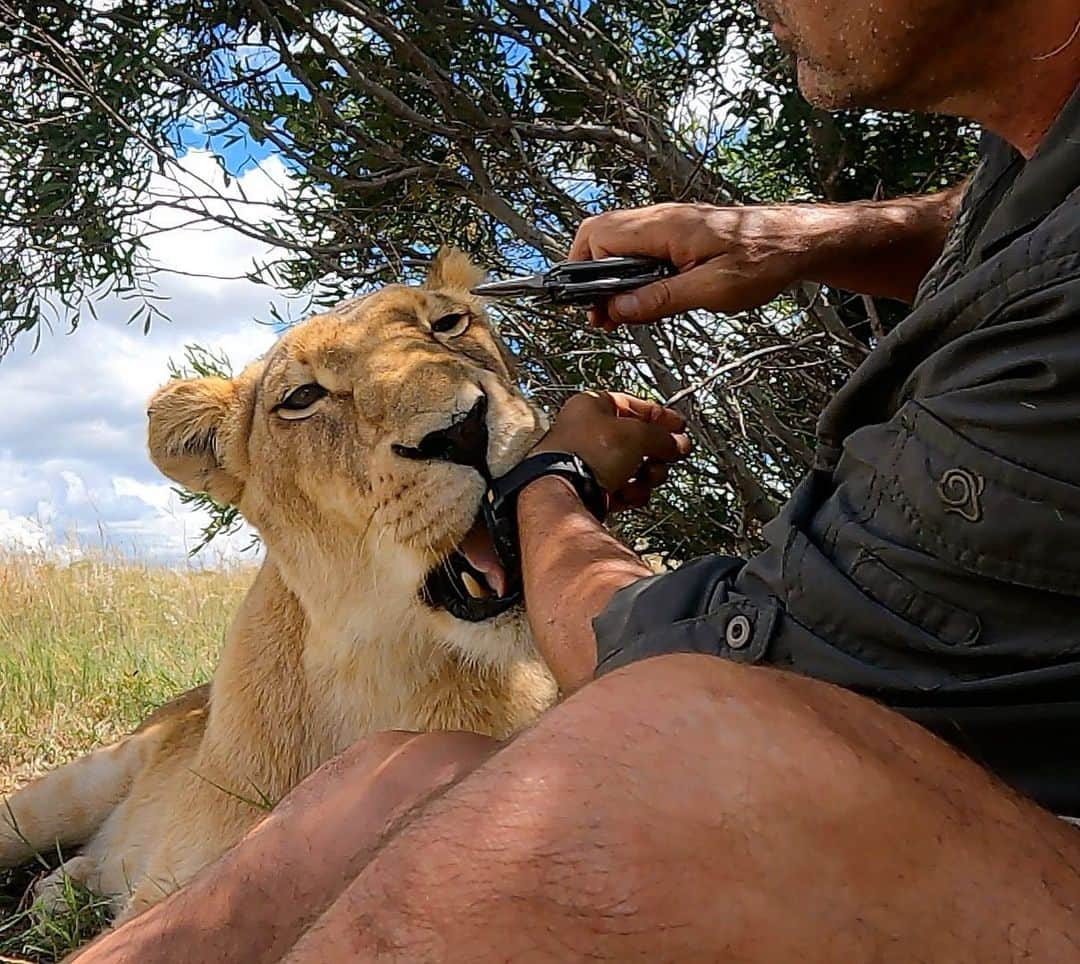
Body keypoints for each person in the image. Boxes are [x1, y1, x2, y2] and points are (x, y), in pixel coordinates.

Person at [75, 1, 1080, 960]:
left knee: (590, 787)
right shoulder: (1040, 155)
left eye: (449, 329)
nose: (442, 408)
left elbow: (727, 688)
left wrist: (552, 480)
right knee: (397, 775)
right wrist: (786, 241)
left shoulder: (1054, 332)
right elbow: (998, 217)